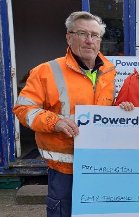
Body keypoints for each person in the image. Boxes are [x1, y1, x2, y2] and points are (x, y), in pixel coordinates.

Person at [13, 11, 116, 217]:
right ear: (69, 37)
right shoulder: (45, 71)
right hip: (64, 168)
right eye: (82, 34)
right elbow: (23, 109)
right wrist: (55, 122)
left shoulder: (110, 72)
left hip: (99, 165)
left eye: (94, 35)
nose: (89, 40)